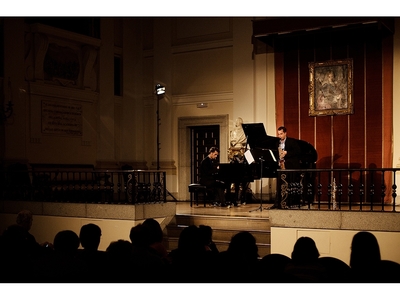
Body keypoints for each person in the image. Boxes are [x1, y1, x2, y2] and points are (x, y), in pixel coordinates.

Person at [269, 126, 302, 209]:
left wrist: (287, 153)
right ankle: (277, 203)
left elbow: (298, 152)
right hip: (281, 166)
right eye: (278, 134)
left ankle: (289, 202)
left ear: (285, 133)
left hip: (290, 166)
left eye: (281, 134)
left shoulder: (292, 141)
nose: (279, 136)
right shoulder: (277, 143)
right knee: (279, 185)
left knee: (289, 184)